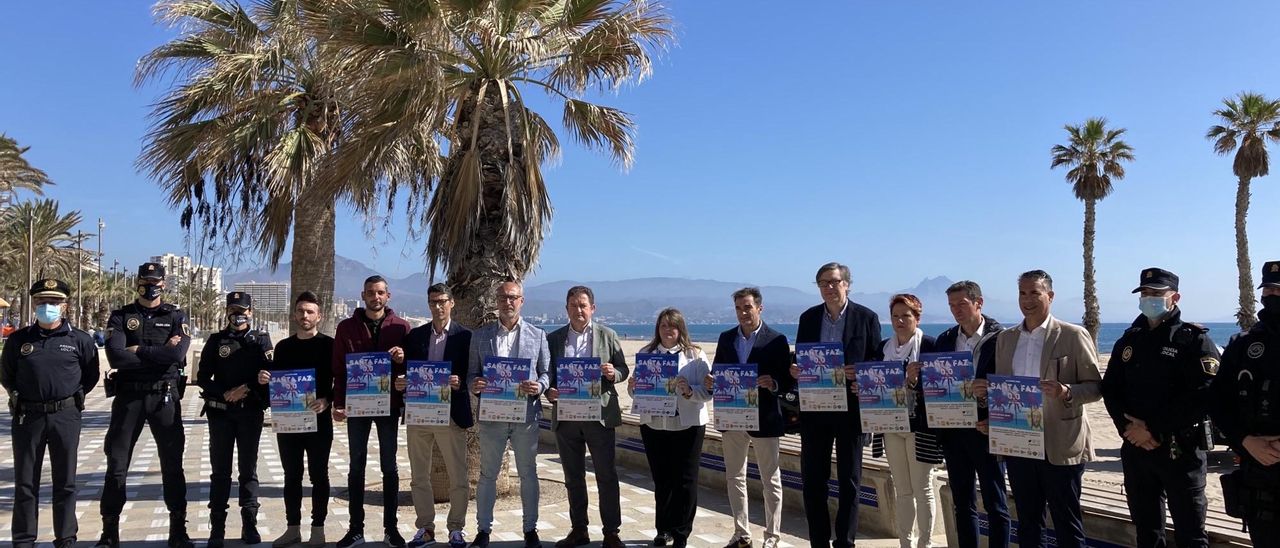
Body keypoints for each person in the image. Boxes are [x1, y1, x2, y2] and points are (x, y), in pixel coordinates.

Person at [1100, 268, 1218, 548]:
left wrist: (1151, 428)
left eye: (1156, 293)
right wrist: (1128, 430)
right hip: (1137, 450)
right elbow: (1111, 389)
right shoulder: (1130, 339)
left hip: (1180, 450)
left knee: (1191, 534)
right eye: (1144, 293)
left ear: (1174, 297)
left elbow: (1203, 396)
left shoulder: (1194, 340)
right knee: (1147, 532)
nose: (1148, 298)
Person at [991, 270, 1101, 548]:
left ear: (1050, 296)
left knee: (1067, 521)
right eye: (1022, 293)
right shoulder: (1006, 339)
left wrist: (1067, 391)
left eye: (1034, 293)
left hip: (1060, 444)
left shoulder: (1074, 335)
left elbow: (1096, 388)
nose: (1027, 300)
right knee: (1028, 522)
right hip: (1019, 443)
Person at [96, 262, 194, 548]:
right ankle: (109, 532)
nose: (150, 285)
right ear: (137, 282)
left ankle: (178, 530)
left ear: (164, 284)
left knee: (172, 464)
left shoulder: (176, 315)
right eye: (145, 280)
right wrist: (161, 352)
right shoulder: (122, 316)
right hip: (129, 398)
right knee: (116, 464)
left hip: (164, 397)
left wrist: (138, 349)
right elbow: (116, 358)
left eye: (155, 281)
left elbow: (177, 355)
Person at [1, 279, 99, 548]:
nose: (48, 307)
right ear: (34, 305)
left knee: (65, 481)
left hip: (65, 416)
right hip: (28, 417)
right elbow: (7, 375)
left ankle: (65, 538)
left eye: (54, 302)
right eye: (42, 302)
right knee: (25, 482)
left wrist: (71, 399)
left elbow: (90, 376)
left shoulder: (78, 340)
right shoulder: (19, 340)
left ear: (64, 306)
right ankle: (23, 540)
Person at [789, 262, 879, 548]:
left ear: (847, 284)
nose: (829, 287)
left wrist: (860, 373)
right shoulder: (808, 318)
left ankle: (845, 541)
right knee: (813, 480)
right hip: (815, 410)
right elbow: (802, 357)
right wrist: (795, 370)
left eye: (834, 282)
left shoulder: (867, 317)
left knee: (850, 480)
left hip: (851, 412)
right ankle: (818, 540)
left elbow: (877, 362)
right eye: (823, 283)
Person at [467, 279, 551, 548]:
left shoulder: (538, 335)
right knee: (487, 475)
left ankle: (530, 529)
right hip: (492, 416)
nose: (507, 302)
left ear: (522, 301)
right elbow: (472, 374)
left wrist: (539, 386)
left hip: (526, 416)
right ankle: (483, 530)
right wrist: (475, 385)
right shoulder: (480, 336)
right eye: (502, 298)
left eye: (513, 297)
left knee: (528, 473)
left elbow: (547, 373)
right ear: (496, 302)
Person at [544, 286, 630, 548]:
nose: (578, 310)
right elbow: (547, 374)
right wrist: (549, 391)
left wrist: (611, 374)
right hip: (567, 417)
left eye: (583, 305)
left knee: (606, 475)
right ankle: (579, 529)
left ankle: (611, 532)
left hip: (599, 417)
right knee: (573, 477)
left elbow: (623, 370)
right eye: (573, 305)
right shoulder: (554, 338)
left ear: (592, 308)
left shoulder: (608, 335)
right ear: (566, 308)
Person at [331, 275, 412, 548]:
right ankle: (356, 529)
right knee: (356, 467)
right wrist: (338, 402)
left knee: (390, 467)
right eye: (370, 293)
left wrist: (403, 360)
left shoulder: (402, 327)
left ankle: (392, 529)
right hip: (357, 407)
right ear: (362, 295)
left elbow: (411, 369)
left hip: (388, 407)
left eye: (379, 293)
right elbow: (339, 370)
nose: (375, 297)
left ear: (387, 296)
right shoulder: (346, 327)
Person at [713, 287, 793, 548]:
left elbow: (787, 381)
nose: (743, 313)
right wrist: (712, 380)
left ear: (760, 308)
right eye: (738, 308)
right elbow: (718, 370)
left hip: (765, 419)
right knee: (734, 477)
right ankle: (741, 533)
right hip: (733, 418)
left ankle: (772, 536)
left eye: (747, 307)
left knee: (770, 479)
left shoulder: (776, 340)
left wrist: (773, 383)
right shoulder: (726, 338)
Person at [628, 308, 714, 548]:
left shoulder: (695, 355)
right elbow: (635, 393)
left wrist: (689, 391)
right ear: (658, 329)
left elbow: (708, 392)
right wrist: (634, 386)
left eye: (672, 326)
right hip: (655, 425)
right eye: (663, 325)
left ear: (680, 329)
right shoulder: (646, 353)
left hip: (688, 426)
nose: (668, 330)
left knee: (686, 481)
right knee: (662, 479)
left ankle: (682, 532)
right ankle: (663, 530)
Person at [1209, 260, 1280, 546]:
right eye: (1270, 289)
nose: (1274, 295)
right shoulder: (1242, 345)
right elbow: (1218, 402)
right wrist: (1245, 441)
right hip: (1259, 475)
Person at [932, 281, 1008, 548]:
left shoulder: (1001, 338)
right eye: (951, 306)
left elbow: (1013, 384)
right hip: (953, 431)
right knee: (962, 503)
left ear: (979, 303)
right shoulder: (945, 338)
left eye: (961, 304)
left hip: (986, 429)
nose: (956, 311)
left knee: (995, 503)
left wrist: (989, 390)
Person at [197, 291, 274, 547]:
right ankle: (217, 528)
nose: (237, 315)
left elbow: (269, 376)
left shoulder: (261, 341)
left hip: (250, 412)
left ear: (250, 312)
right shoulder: (217, 340)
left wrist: (248, 388)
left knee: (248, 471)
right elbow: (203, 377)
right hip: (220, 413)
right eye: (233, 310)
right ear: (227, 312)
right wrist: (224, 392)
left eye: (242, 311)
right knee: (220, 472)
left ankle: (249, 524)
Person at [402, 283, 473, 548]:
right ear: (428, 304)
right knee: (419, 475)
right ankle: (425, 528)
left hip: (451, 415)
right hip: (419, 415)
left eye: (442, 301)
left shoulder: (465, 336)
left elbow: (474, 372)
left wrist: (460, 381)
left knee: (458, 476)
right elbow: (410, 371)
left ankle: (456, 528)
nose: (438, 306)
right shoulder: (416, 336)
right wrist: (402, 382)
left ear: (452, 303)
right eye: (433, 302)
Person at [262, 291, 334, 547]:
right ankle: (293, 528)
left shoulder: (329, 345)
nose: (305, 315)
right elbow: (276, 382)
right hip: (289, 423)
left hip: (319, 422)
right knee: (291, 476)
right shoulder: (284, 347)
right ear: (294, 315)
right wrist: (266, 380)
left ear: (319, 316)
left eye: (310, 311)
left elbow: (342, 381)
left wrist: (328, 400)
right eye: (301, 311)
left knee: (318, 476)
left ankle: (318, 528)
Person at [873, 294, 941, 548]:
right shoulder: (883, 348)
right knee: (902, 489)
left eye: (906, 316)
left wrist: (915, 381)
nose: (900, 321)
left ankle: (925, 543)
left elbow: (940, 387)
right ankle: (905, 542)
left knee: (922, 489)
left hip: (920, 427)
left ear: (917, 318)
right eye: (895, 316)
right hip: (891, 425)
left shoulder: (930, 346)